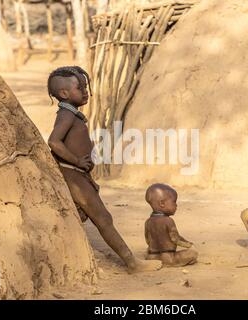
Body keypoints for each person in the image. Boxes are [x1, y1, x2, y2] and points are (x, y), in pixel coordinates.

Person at [47, 66, 162, 273]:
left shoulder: (72, 114)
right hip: (73, 175)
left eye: (86, 87)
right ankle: (131, 263)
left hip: (78, 175)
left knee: (83, 218)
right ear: (64, 94)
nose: (85, 91)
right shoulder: (66, 115)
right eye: (80, 87)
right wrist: (77, 161)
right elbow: (54, 142)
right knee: (103, 218)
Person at [144, 183, 198, 267]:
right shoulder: (168, 221)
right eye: (174, 202)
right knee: (193, 253)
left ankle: (155, 262)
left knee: (148, 251)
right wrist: (189, 245)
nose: (176, 205)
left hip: (152, 256)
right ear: (162, 203)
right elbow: (175, 239)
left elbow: (148, 240)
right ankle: (169, 263)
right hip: (168, 257)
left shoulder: (148, 222)